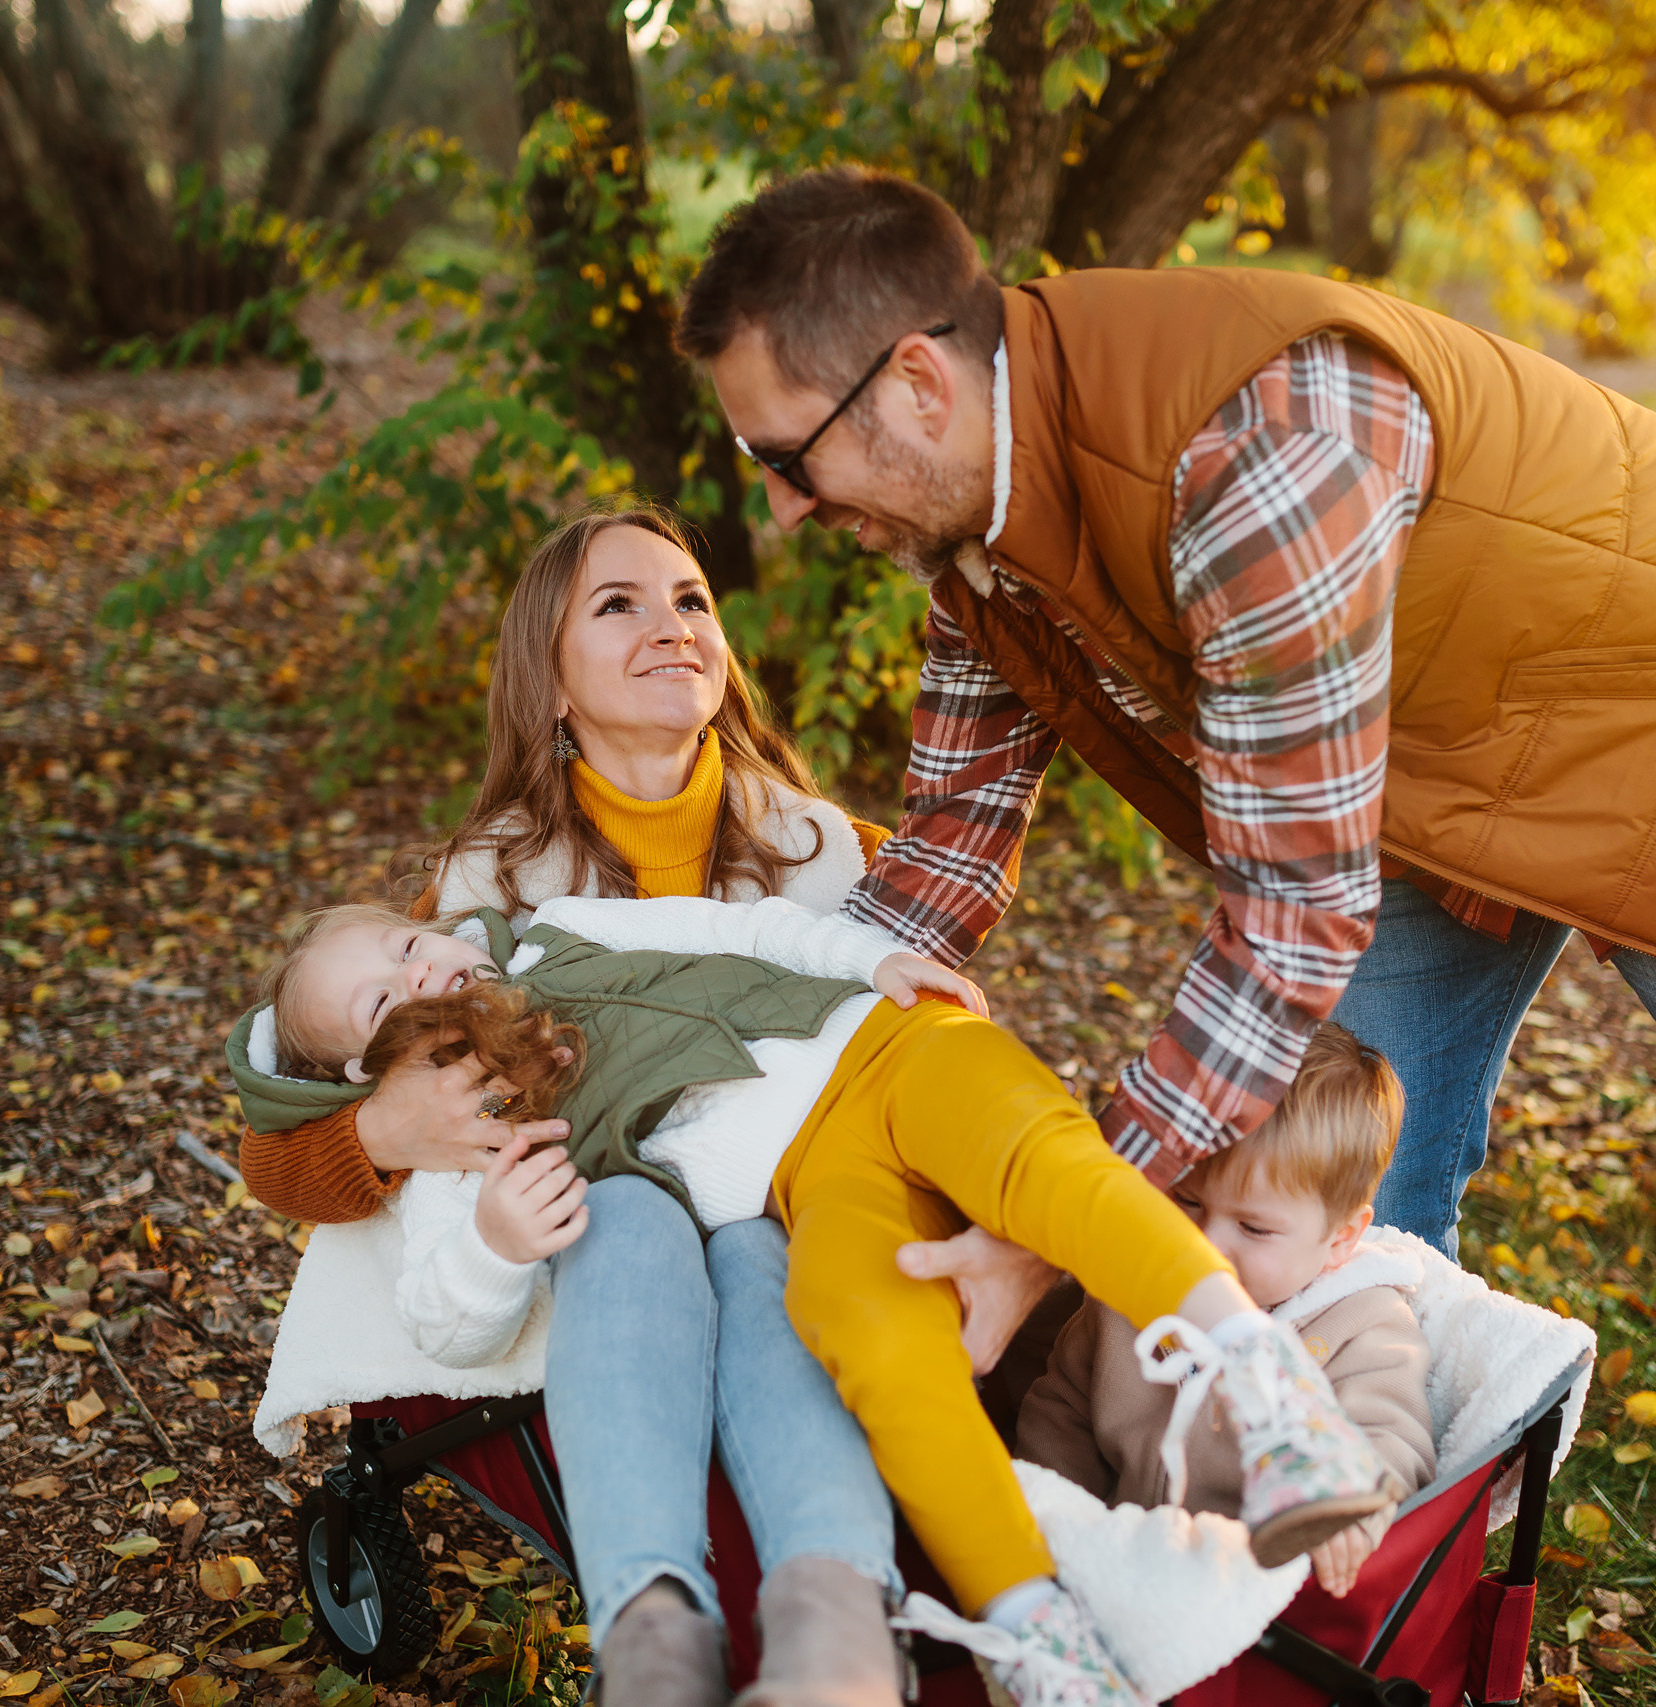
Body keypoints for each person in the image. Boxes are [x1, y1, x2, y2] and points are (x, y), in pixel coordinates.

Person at [673, 166, 1656, 1704]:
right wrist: (731, 1038)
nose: (784, 509)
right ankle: (1354, 1627)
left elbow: (1288, 918)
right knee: (1358, 1203)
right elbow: (942, 852)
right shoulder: (984, 544)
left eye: (784, 455)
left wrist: (1046, 1221)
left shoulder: (1255, 437)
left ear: (921, 382)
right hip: (1427, 782)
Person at [242, 885, 1397, 1707]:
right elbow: (445, 1313)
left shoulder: (551, 927)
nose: (415, 970)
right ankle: (1037, 1638)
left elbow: (733, 926)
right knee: (871, 1340)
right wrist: (496, 1244)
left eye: (400, 941)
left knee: (1045, 1163)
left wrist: (869, 962)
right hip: (804, 1182)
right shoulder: (455, 1125)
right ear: (362, 1074)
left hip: (883, 1048)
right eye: (378, 998)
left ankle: (1264, 1378)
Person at [234, 506, 908, 1706]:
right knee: (633, 1222)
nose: (670, 626)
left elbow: (901, 1027)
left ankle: (834, 1627)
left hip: (785, 1190)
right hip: (592, 1221)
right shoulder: (486, 891)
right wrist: (389, 1131)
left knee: (768, 1259)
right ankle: (653, 1636)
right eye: (619, 605)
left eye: (691, 600)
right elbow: (279, 1155)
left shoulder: (821, 850)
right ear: (548, 681)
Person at [1017, 1022, 1432, 1600]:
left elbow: (1394, 1438)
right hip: (1122, 1563)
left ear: (1341, 1238)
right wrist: (1052, 1525)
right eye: (1187, 1202)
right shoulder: (1126, 1298)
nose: (1205, 1244)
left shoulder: (1363, 1323)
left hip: (1255, 1591)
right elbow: (1060, 1413)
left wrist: (1348, 1512)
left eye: (1253, 1227)